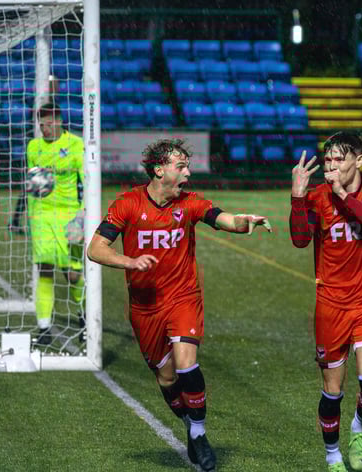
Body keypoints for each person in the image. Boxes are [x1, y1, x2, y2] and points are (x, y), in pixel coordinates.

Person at [87, 138, 272, 472]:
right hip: (145, 308)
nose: (188, 173)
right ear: (159, 170)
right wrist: (128, 262)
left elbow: (221, 218)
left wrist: (244, 222)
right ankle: (191, 424)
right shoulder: (127, 204)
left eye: (188, 165)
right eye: (181, 166)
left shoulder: (190, 204)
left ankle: (199, 435)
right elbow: (96, 249)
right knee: (167, 379)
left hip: (183, 297)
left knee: (187, 364)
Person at [290, 132, 362, 472]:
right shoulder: (318, 197)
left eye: (340, 159)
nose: (332, 166)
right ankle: (333, 455)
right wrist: (297, 196)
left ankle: (357, 429)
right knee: (332, 390)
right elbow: (300, 240)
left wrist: (342, 195)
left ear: (359, 161)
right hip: (331, 304)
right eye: (329, 159)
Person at [14, 103, 85, 346]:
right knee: (44, 269)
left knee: (73, 274)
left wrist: (82, 216)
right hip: (42, 217)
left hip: (69, 217)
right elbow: (33, 186)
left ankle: (85, 316)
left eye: (47, 123)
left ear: (59, 121)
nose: (43, 128)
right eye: (40, 124)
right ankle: (44, 328)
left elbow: (86, 184)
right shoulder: (33, 147)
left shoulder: (76, 145)